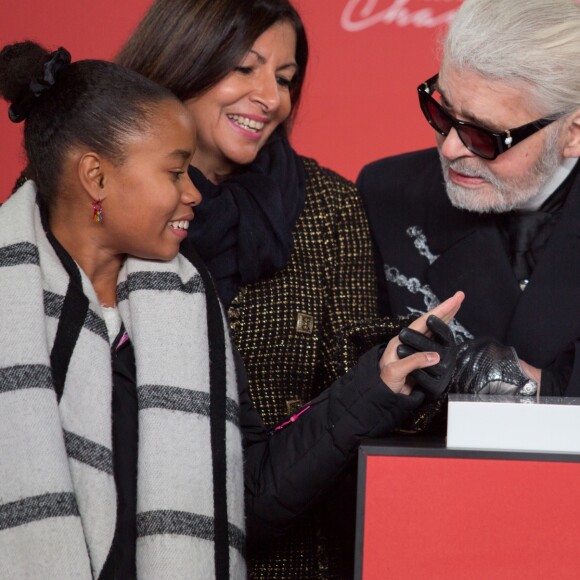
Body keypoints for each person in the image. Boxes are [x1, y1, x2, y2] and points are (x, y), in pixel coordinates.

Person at [0, 41, 463, 579]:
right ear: (96, 178)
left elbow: (249, 496)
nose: (193, 193)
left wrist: (378, 385)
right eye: (175, 173)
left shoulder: (190, 305)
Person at [116, 0, 434, 577]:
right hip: (119, 545)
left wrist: (415, 373)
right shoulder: (102, 195)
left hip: (288, 554)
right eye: (245, 68)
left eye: (285, 79)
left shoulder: (329, 206)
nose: (271, 98)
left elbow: (358, 383)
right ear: (181, 62)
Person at [358, 0, 580, 399]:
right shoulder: (386, 193)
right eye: (440, 112)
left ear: (574, 133)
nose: (449, 150)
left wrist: (548, 387)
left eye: (485, 136)